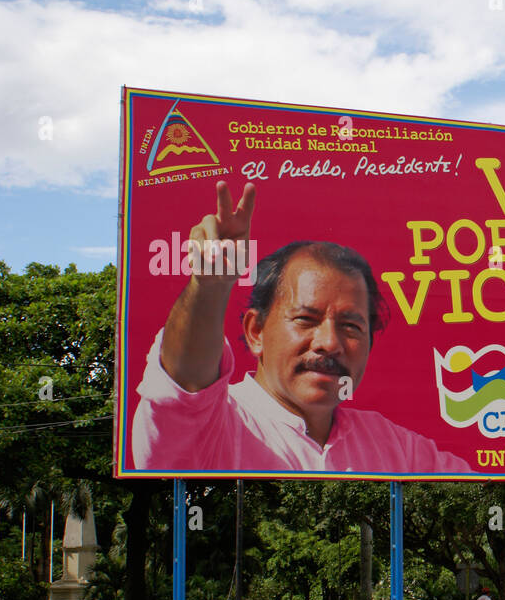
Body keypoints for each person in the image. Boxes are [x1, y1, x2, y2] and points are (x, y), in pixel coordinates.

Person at [131, 180, 470, 474]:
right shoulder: (214, 425)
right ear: (256, 332)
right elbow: (185, 385)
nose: (329, 343)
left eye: (351, 326)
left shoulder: (399, 452)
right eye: (306, 320)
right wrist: (209, 286)